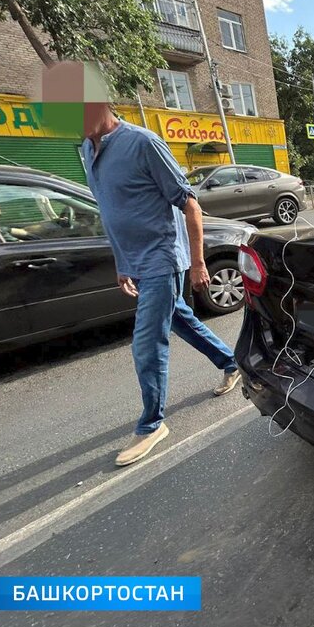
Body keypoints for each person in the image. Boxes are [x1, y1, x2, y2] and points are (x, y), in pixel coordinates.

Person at [77, 88, 241, 467]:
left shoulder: (143, 143)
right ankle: (234, 363)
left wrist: (198, 263)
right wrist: (122, 263)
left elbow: (190, 204)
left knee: (147, 343)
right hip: (136, 262)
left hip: (163, 260)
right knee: (182, 322)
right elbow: (111, 212)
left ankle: (152, 425)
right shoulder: (87, 149)